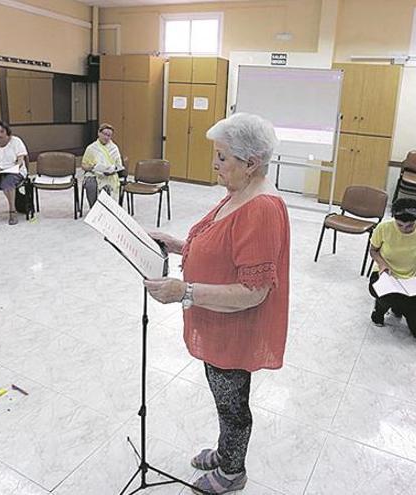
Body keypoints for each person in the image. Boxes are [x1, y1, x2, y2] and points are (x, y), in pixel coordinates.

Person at [144, 113, 290, 494]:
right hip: (218, 321)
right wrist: (176, 244)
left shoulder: (261, 208)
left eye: (223, 157)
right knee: (223, 397)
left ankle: (232, 472)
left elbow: (253, 291)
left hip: (235, 327)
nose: (215, 164)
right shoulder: (239, 194)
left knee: (232, 406)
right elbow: (222, 249)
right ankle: (227, 453)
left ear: (251, 163)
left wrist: (184, 291)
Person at [367, 197, 416, 342]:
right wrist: (382, 265)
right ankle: (380, 309)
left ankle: (397, 306)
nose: (404, 229)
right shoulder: (384, 227)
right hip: (385, 276)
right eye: (400, 225)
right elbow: (373, 251)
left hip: (409, 282)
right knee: (387, 295)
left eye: (410, 226)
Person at [81, 123, 123, 206]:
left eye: (109, 135)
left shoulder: (114, 148)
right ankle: (94, 208)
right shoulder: (91, 148)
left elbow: (119, 165)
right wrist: (93, 167)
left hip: (110, 174)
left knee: (109, 185)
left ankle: (108, 208)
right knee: (90, 184)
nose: (106, 137)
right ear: (99, 133)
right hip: (94, 173)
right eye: (104, 134)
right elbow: (83, 165)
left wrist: (112, 171)